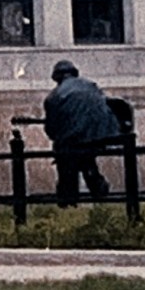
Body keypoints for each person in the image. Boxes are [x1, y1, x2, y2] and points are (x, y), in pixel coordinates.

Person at [41, 60, 121, 206]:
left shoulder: (54, 97)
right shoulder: (92, 87)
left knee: (67, 173)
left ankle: (68, 203)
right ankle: (100, 195)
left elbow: (51, 130)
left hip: (71, 142)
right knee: (88, 166)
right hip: (97, 137)